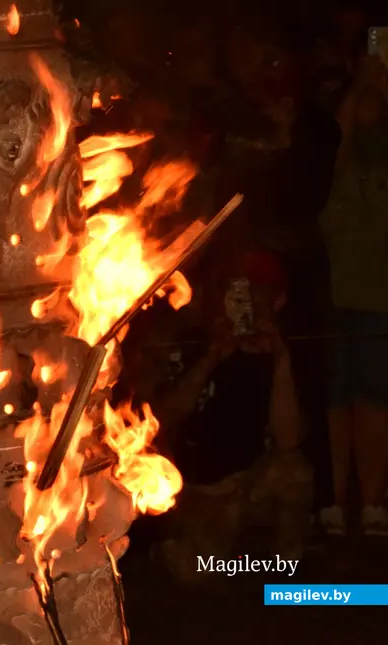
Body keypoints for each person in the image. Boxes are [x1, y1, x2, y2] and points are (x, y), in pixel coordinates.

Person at [123, 249, 309, 582]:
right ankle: (182, 549)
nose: (242, 300)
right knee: (193, 572)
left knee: (293, 472)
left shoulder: (285, 352)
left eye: (254, 291)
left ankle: (284, 568)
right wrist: (211, 358)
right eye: (234, 289)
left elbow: (288, 440)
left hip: (249, 481)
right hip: (195, 488)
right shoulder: (194, 344)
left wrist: (280, 362)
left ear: (277, 301)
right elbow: (162, 420)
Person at [319, 54, 388, 536]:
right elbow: (335, 142)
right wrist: (360, 82)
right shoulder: (336, 154)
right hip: (330, 290)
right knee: (336, 398)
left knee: (373, 397)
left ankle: (374, 502)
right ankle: (336, 500)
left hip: (377, 294)